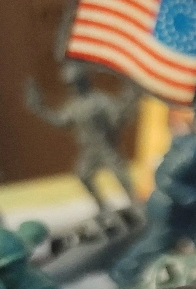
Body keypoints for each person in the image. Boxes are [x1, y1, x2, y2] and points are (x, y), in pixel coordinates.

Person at [110, 100, 196, 287]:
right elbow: (164, 177)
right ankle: (123, 272)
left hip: (190, 212)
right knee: (157, 243)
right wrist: (189, 195)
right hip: (169, 208)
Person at [25, 62, 138, 210]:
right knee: (83, 175)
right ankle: (102, 206)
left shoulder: (99, 100)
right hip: (89, 149)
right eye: (71, 84)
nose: (74, 87)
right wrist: (40, 108)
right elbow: (60, 121)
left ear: (84, 81)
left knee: (121, 175)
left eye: (77, 82)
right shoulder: (73, 106)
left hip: (105, 147)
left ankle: (135, 202)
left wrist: (129, 100)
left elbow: (116, 116)